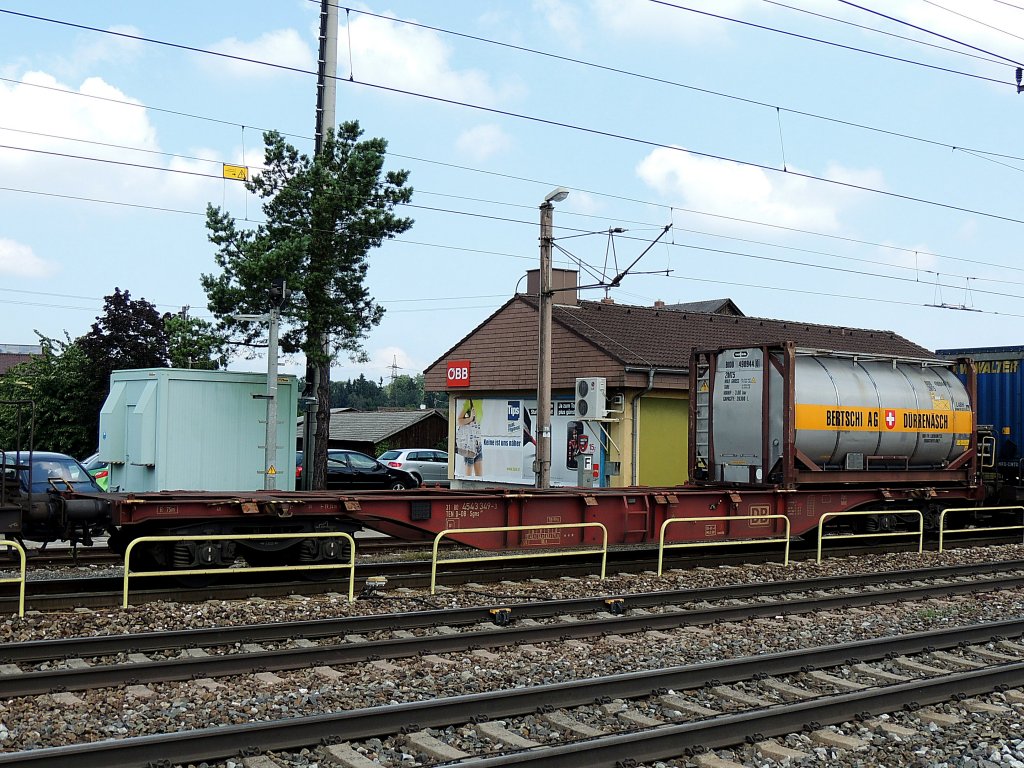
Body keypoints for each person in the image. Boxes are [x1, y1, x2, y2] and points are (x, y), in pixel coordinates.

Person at [456, 398, 484, 477]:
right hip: (469, 445)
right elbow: (459, 421)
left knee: (480, 477)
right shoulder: (470, 401)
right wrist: (470, 418)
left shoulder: (482, 400)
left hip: (478, 444)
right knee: (468, 477)